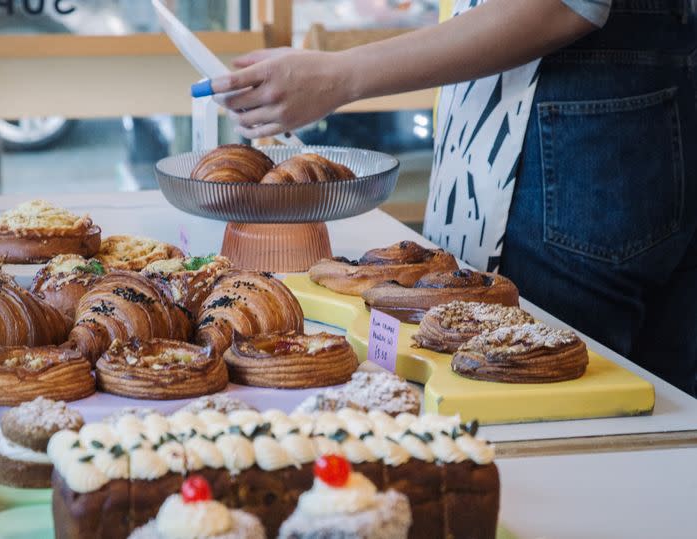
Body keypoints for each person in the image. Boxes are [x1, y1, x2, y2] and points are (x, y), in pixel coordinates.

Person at [212, 0, 697, 397]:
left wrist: (341, 75)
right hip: (635, 114)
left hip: (569, 141)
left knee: (534, 397)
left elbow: (564, 5)